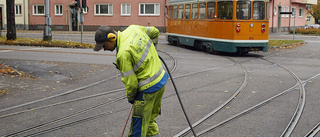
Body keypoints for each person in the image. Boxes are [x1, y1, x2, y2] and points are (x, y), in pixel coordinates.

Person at [94, 25, 168, 137]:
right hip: (160, 80)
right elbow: (155, 32)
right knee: (149, 122)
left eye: (104, 45)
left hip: (147, 89)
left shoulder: (123, 55)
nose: (104, 49)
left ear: (112, 38)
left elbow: (131, 84)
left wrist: (131, 98)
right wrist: (154, 52)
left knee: (137, 130)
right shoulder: (134, 28)